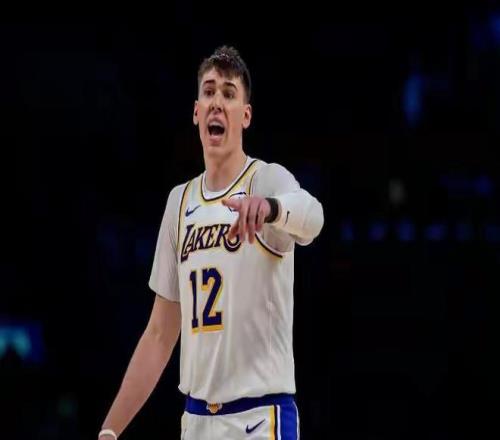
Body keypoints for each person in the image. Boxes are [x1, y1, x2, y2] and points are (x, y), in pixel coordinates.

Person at [99, 45, 324, 440]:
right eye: (209, 91)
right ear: (196, 111)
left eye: (228, 93)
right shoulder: (179, 202)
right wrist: (110, 429)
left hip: (261, 416)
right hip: (197, 420)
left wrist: (270, 208)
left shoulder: (264, 179)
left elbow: (313, 217)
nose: (217, 102)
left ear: (245, 115)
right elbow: (159, 334)